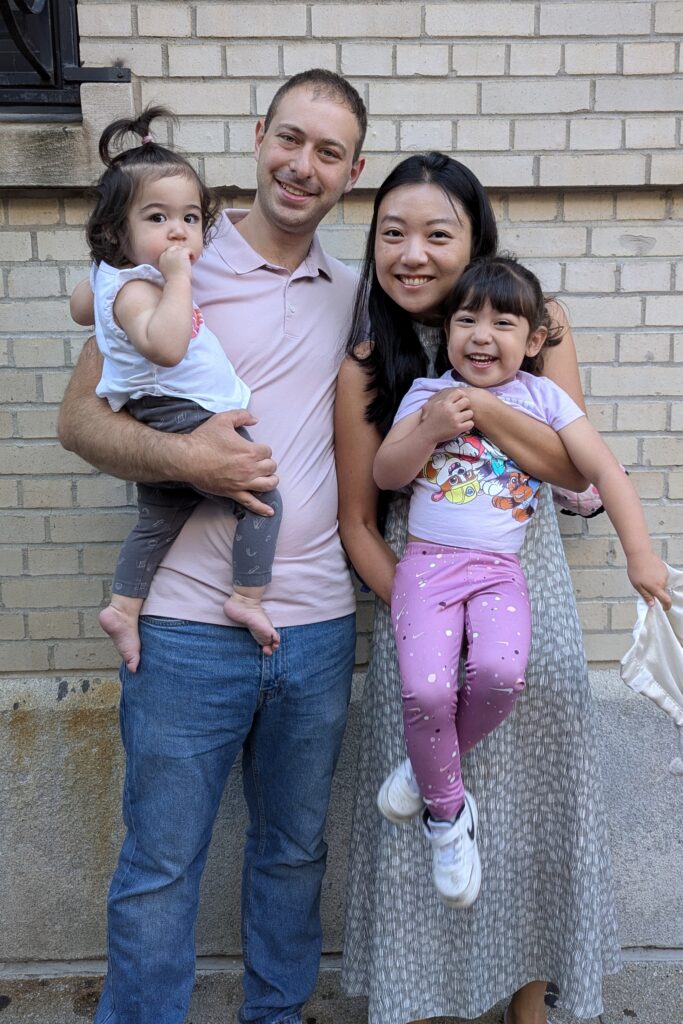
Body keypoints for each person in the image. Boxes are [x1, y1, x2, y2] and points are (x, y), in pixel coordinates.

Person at [58, 69, 366, 1024]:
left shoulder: (356, 294)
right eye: (290, 139)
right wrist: (187, 456)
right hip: (189, 630)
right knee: (159, 867)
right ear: (257, 135)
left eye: (327, 152)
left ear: (350, 175)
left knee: (292, 854)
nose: (301, 165)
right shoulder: (168, 258)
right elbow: (80, 423)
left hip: (314, 628)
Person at [335, 153, 623, 1024]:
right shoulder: (367, 361)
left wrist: (482, 409)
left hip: (527, 603)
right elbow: (356, 520)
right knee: (427, 829)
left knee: (529, 820)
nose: (412, 253)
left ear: (475, 243)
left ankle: (527, 1010)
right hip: (418, 609)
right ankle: (420, 1007)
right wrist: (427, 620)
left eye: (437, 234)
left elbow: (574, 475)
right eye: (392, 233)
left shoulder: (541, 330)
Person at [373, 254, 670, 910]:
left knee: (502, 678)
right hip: (427, 567)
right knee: (424, 688)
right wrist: (427, 428)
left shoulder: (543, 399)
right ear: (445, 331)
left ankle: (426, 773)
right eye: (466, 319)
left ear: (533, 341)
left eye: (502, 323)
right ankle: (447, 817)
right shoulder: (427, 395)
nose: (482, 334)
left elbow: (602, 471)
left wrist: (639, 554)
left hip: (499, 572)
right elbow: (385, 475)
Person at [71, 106, 283, 672]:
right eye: (158, 217)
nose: (178, 232)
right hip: (177, 412)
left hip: (164, 407)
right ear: (118, 230)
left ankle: (123, 606)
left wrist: (103, 275)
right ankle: (246, 598)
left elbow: (79, 308)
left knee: (159, 518)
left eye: (190, 219)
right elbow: (166, 347)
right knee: (263, 500)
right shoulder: (143, 289)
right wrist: (180, 277)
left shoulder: (112, 277)